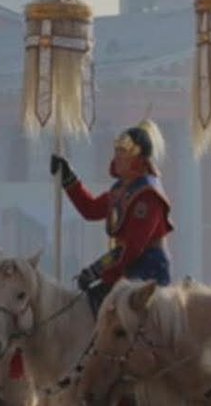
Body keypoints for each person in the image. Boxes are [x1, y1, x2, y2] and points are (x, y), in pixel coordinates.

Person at [50, 118, 173, 311]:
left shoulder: (148, 195)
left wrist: (97, 271)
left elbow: (132, 248)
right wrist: (68, 178)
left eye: (123, 152)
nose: (117, 158)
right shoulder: (120, 190)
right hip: (126, 268)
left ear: (138, 158)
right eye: (117, 151)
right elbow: (90, 209)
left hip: (147, 271)